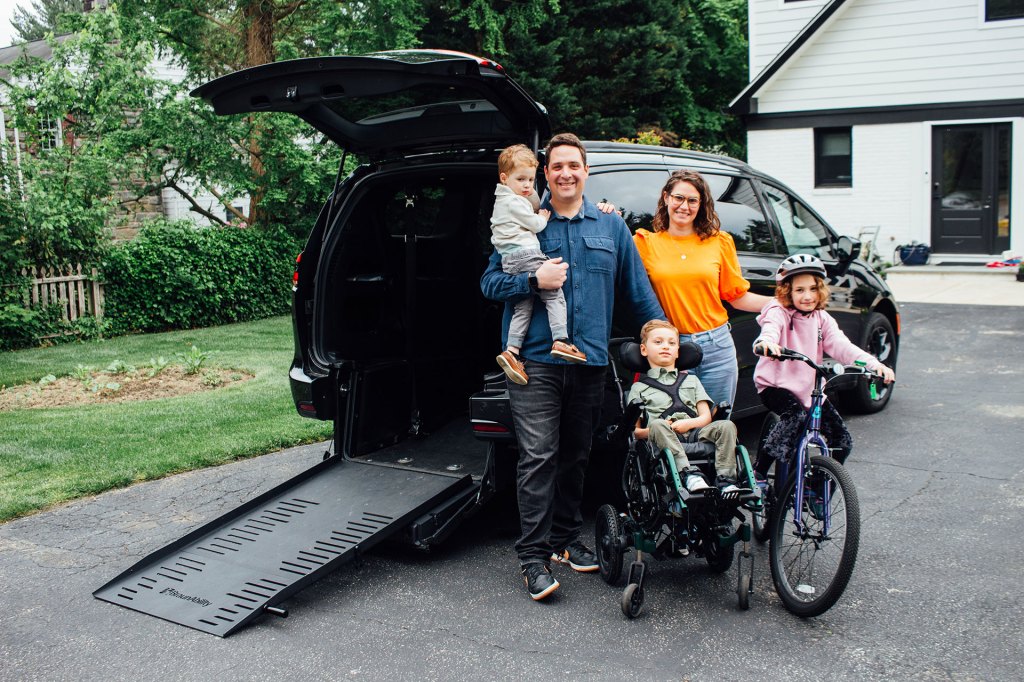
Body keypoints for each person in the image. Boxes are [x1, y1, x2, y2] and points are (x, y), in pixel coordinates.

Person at [480, 133, 665, 601]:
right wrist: (530, 279)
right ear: (546, 174)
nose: (565, 173)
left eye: (573, 166)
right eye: (556, 166)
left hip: (590, 360)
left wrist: (665, 339)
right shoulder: (528, 223)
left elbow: (637, 292)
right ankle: (532, 558)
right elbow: (489, 283)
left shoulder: (609, 227)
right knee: (538, 456)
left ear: (586, 172)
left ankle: (564, 539)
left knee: (576, 455)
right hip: (535, 361)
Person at [633, 169, 772, 408]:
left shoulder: (719, 242)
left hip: (717, 346)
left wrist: (781, 303)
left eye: (692, 200)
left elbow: (737, 298)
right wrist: (606, 214)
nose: (684, 206)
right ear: (666, 197)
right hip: (673, 349)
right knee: (679, 427)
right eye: (678, 198)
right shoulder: (645, 244)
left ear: (701, 204)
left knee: (717, 426)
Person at [751, 254, 895, 480]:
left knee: (842, 441)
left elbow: (841, 347)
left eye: (812, 289)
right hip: (776, 386)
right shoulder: (777, 311)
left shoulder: (822, 318)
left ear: (820, 290)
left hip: (810, 389)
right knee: (794, 417)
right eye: (799, 290)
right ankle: (759, 472)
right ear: (787, 291)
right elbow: (769, 329)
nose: (807, 296)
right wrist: (766, 343)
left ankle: (818, 491)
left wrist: (874, 365)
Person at [490, 144, 586, 385]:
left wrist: (527, 187)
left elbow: (530, 195)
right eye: (521, 179)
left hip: (511, 260)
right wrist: (542, 216)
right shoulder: (514, 203)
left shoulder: (504, 199)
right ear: (504, 178)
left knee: (523, 307)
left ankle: (511, 351)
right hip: (525, 254)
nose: (527, 186)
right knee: (553, 294)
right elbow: (536, 223)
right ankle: (562, 340)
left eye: (531, 180)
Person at [627, 319, 745, 493]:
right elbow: (635, 432)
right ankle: (688, 474)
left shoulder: (692, 381)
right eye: (658, 342)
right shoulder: (639, 388)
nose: (665, 346)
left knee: (726, 425)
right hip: (662, 437)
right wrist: (660, 428)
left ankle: (726, 480)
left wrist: (688, 424)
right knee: (657, 424)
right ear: (643, 349)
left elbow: (705, 418)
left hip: (695, 433)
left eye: (671, 343)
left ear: (677, 352)